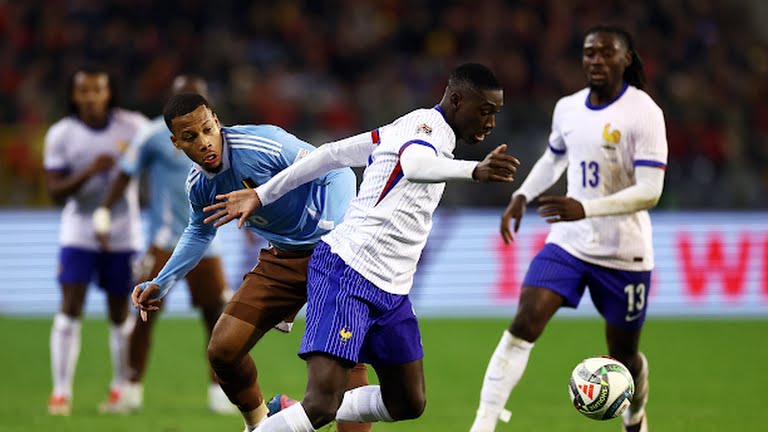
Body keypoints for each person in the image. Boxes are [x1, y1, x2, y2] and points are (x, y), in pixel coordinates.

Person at [199, 62, 520, 431]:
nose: (490, 123)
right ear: (457, 100)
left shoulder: (407, 127)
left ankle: (287, 411)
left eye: (495, 114)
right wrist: (474, 170)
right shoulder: (424, 129)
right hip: (349, 271)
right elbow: (414, 165)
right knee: (321, 405)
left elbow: (331, 154)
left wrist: (261, 194)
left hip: (392, 288)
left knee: (407, 402)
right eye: (485, 112)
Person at [129, 93, 372, 432]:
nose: (204, 143)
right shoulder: (199, 185)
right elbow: (199, 232)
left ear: (216, 121)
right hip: (284, 258)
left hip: (335, 253)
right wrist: (162, 281)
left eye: (207, 129)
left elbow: (338, 171)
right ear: (175, 143)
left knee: (344, 357)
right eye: (190, 137)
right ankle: (261, 425)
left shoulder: (263, 143)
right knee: (223, 350)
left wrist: (333, 235)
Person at [469, 26, 666, 432]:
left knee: (625, 356)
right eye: (589, 52)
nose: (596, 60)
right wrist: (522, 195)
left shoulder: (644, 112)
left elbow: (651, 191)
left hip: (624, 250)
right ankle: (484, 424)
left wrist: (586, 207)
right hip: (570, 242)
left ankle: (636, 415)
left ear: (626, 59)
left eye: (606, 53)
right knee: (525, 321)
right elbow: (554, 158)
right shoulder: (568, 108)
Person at [94, 75, 236, 414]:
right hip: (164, 241)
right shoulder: (153, 136)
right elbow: (126, 173)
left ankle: (220, 392)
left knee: (217, 318)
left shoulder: (219, 135)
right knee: (144, 313)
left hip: (207, 242)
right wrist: (104, 210)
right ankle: (131, 390)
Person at [43, 66, 149, 415]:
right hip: (79, 230)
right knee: (70, 306)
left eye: (97, 90)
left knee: (120, 313)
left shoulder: (132, 126)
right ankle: (60, 392)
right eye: (83, 91)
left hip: (122, 233)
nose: (90, 97)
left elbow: (161, 154)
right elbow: (54, 192)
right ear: (74, 95)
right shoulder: (62, 134)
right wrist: (89, 172)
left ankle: (119, 387)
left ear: (108, 93)